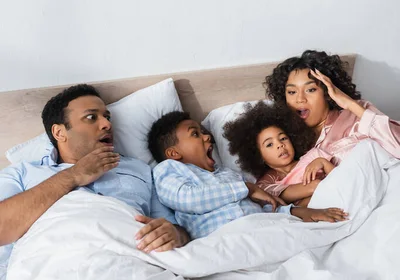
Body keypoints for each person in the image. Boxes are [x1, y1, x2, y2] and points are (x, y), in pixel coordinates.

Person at [0, 84, 189, 253]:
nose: (107, 124)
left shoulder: (140, 170)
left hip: (130, 260)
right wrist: (73, 175)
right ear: (59, 132)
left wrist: (176, 235)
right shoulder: (23, 174)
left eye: (107, 117)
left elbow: (175, 229)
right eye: (91, 117)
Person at [148, 111, 348, 240]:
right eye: (195, 134)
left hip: (266, 231)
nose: (207, 136)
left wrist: (305, 213)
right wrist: (247, 188)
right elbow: (189, 199)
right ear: (174, 153)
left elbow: (267, 210)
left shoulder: (229, 175)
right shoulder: (168, 170)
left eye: (203, 132)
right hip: (224, 240)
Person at [265, 50, 400, 162]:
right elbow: (271, 185)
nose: (300, 99)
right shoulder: (282, 140)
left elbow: (397, 146)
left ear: (328, 92)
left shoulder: (357, 113)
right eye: (292, 92)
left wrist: (349, 103)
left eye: (310, 90)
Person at [223, 102, 336, 205]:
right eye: (269, 144)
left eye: (283, 138)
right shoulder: (265, 184)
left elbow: (343, 180)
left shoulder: (314, 155)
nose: (280, 145)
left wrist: (323, 163)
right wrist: (316, 186)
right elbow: (312, 187)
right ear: (257, 155)